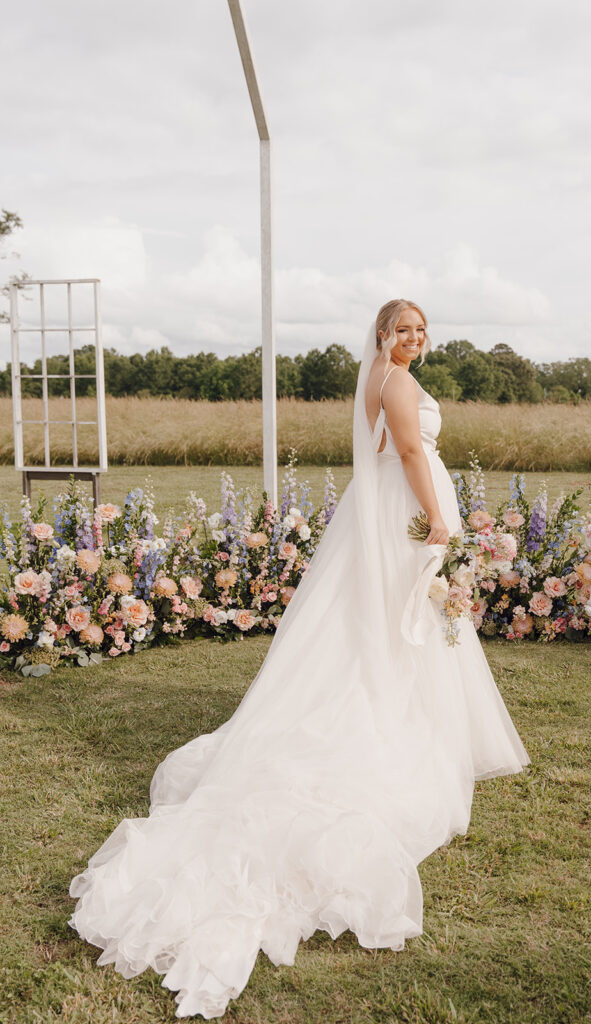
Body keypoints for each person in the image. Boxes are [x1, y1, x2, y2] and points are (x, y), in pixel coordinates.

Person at [68, 299, 531, 1019]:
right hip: (402, 509)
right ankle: (396, 725)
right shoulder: (398, 382)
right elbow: (410, 452)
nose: (414, 339)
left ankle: (396, 707)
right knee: (398, 622)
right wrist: (438, 519)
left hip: (376, 509)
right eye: (403, 330)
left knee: (377, 624)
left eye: (420, 330)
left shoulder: (378, 374)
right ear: (383, 335)